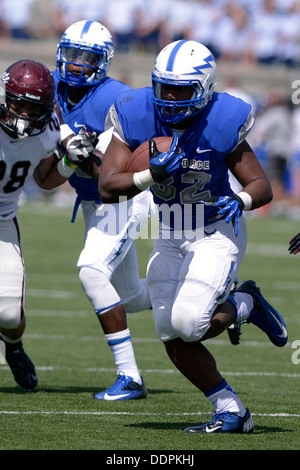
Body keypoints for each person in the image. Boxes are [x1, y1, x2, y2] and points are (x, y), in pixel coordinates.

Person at [98, 39, 288, 433]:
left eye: (180, 90)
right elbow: (107, 185)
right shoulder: (136, 114)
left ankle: (245, 303)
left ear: (204, 88)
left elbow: (260, 185)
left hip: (216, 230)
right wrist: (152, 173)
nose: (168, 98)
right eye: (163, 87)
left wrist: (241, 200)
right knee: (170, 332)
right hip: (170, 229)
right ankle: (233, 411)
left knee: (189, 323)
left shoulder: (221, 117)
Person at [53, 20, 153, 400]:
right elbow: (49, 177)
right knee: (130, 297)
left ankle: (130, 376)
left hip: (122, 196)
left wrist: (81, 151)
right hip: (93, 202)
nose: (76, 64)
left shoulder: (119, 99)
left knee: (92, 271)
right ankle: (231, 300)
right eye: (72, 54)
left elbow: (113, 173)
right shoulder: (52, 85)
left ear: (104, 61)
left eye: (86, 57)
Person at [0, 59, 95, 390]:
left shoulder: (49, 128)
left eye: (32, 108)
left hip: (2, 221)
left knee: (11, 316)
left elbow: (45, 180)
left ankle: (13, 346)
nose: (24, 115)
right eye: (17, 103)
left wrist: (71, 159)